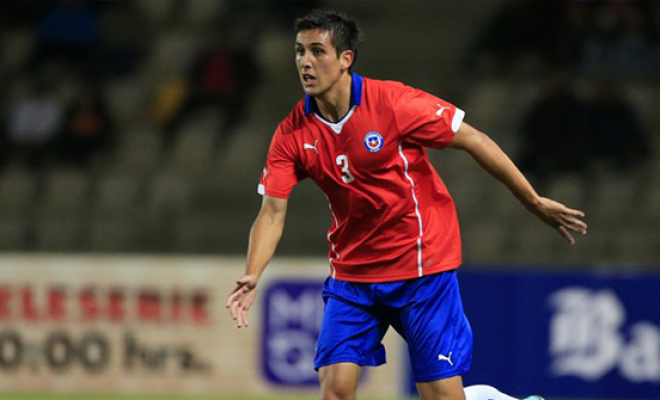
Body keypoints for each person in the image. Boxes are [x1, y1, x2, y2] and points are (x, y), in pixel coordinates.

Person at [226, 9, 587, 400]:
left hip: (421, 269)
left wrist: (531, 200)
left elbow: (475, 140)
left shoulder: (393, 103)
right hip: (353, 276)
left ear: (346, 58)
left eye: (317, 51)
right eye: (299, 52)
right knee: (335, 393)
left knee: (443, 397)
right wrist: (253, 273)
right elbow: (272, 213)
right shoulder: (292, 132)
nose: (305, 62)